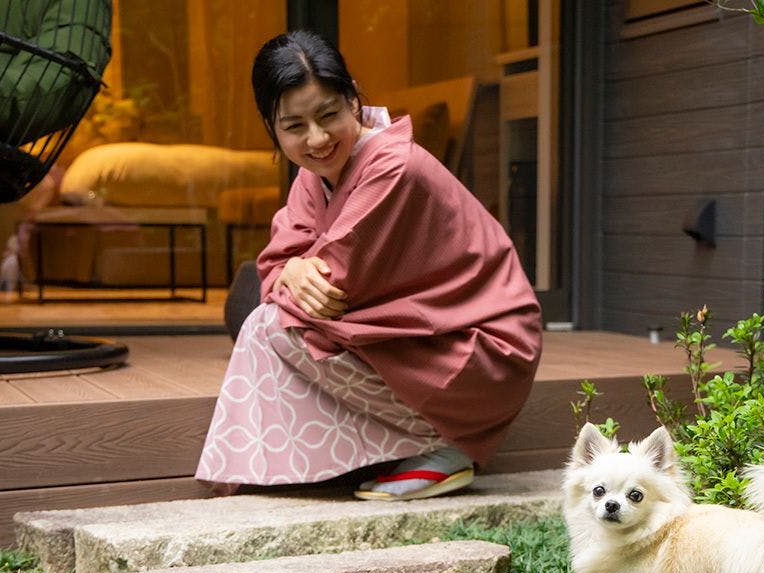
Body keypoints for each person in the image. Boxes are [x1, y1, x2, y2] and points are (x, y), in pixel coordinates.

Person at [196, 30, 543, 500]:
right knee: (270, 321)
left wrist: (292, 272)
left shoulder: (390, 166)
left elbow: (331, 293)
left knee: (275, 327)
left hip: (483, 353)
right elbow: (280, 265)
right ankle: (419, 447)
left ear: (354, 100)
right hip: (435, 341)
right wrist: (292, 271)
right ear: (271, 127)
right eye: (294, 126)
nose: (317, 139)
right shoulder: (315, 174)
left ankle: (447, 446)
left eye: (328, 115)